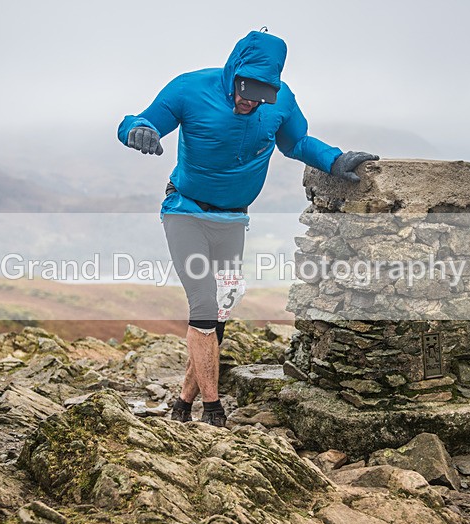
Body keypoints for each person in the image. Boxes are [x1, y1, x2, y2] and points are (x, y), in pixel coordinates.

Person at [117, 29, 378, 427]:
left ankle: (182, 405)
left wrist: (336, 160)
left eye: (261, 94)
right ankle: (213, 410)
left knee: (218, 314)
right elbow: (142, 119)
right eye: (244, 89)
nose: (250, 100)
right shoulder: (190, 88)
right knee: (203, 309)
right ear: (232, 71)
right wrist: (138, 130)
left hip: (233, 219)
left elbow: (297, 143)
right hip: (186, 210)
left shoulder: (281, 101)